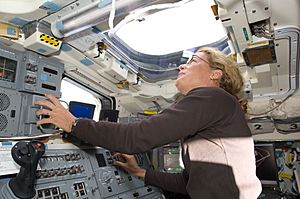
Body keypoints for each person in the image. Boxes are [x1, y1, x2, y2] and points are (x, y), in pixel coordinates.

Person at [34, 47, 262, 199]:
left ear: (216, 74)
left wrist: (73, 124)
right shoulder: (216, 110)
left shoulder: (214, 97)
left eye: (193, 61)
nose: (182, 66)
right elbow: (191, 184)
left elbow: (135, 138)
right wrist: (140, 172)